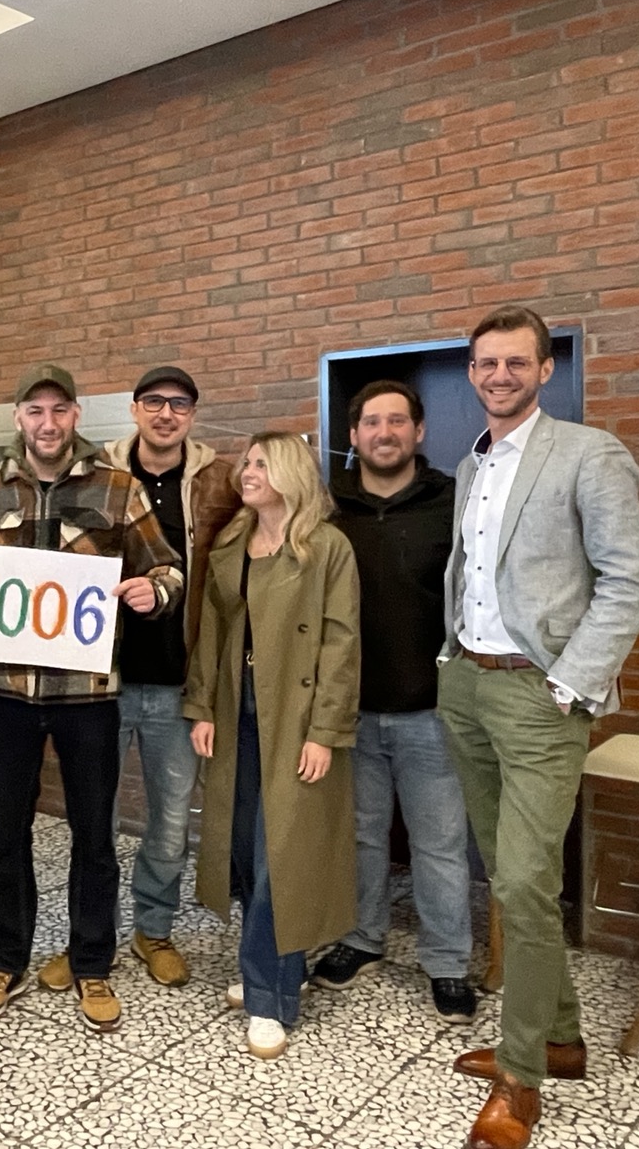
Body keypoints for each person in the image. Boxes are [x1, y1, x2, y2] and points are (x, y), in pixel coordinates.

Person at [437, 306, 639, 1149]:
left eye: (516, 362)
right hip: (469, 685)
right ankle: (561, 1036)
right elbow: (471, 573)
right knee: (509, 876)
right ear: (472, 372)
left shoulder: (588, 454)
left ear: (545, 368)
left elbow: (628, 582)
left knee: (526, 881)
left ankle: (521, 1074)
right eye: (486, 363)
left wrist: (570, 684)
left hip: (540, 696)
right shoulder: (473, 463)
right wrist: (451, 661)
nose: (500, 375)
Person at [0, 365, 239, 990]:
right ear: (18, 418)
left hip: (87, 695)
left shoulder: (117, 488)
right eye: (35, 411)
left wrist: (154, 593)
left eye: (59, 410)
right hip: (6, 693)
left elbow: (168, 569)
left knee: (94, 837)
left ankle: (92, 961)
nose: (48, 423)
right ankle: (6, 960)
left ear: (76, 416)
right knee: (4, 837)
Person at [183, 432, 360, 1061]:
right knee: (243, 846)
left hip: (296, 717)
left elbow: (340, 643)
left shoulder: (327, 547)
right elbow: (211, 632)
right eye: (247, 463)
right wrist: (202, 706)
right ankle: (275, 971)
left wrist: (325, 732)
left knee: (279, 856)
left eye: (261, 464)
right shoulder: (233, 542)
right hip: (239, 713)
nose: (247, 473)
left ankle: (268, 995)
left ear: (290, 473)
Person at [313, 380, 477, 1024]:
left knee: (440, 845)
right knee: (361, 836)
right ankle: (362, 938)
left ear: (419, 431)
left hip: (431, 710)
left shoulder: (453, 502)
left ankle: (447, 962)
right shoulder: (328, 508)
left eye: (398, 421)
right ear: (354, 436)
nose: (385, 433)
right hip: (349, 711)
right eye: (372, 423)